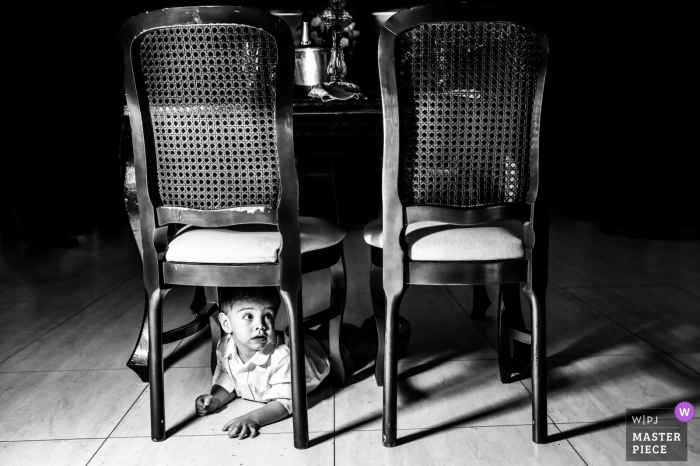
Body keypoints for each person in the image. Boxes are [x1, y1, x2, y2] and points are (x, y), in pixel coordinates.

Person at [194, 287, 377, 440]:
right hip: (304, 341)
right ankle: (333, 330)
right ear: (226, 324)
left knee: (358, 350)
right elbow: (227, 379)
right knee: (320, 335)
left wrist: (253, 417)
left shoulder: (281, 358)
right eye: (248, 316)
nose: (261, 325)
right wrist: (216, 399)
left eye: (268, 315)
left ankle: (377, 324)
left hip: (321, 355)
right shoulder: (225, 347)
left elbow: (285, 402)